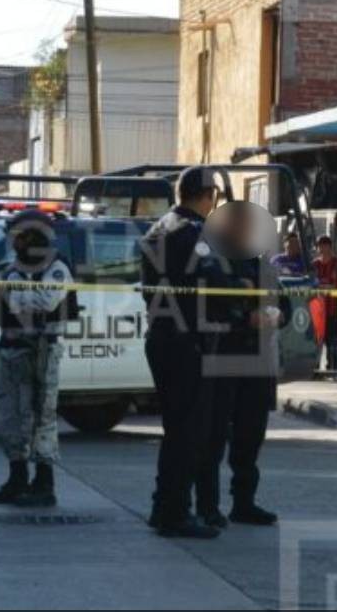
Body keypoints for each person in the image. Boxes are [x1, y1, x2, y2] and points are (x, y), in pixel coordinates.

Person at [140, 166, 223, 540]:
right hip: (186, 339)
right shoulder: (194, 233)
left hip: (161, 335)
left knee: (175, 429)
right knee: (187, 432)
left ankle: (164, 507)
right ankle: (175, 512)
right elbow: (214, 282)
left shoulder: (158, 228)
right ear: (209, 197)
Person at [195, 202, 285, 530]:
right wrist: (245, 318)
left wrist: (274, 315)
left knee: (250, 437)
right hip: (223, 358)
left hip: (257, 363)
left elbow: (283, 304)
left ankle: (244, 503)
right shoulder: (212, 263)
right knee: (213, 437)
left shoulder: (263, 266)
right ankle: (207, 506)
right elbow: (206, 309)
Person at [0, 210, 73, 508]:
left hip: (42, 350)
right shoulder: (10, 271)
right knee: (9, 417)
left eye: (21, 236)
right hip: (11, 350)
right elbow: (3, 308)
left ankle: (44, 483)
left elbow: (45, 302)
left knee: (42, 417)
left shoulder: (57, 267)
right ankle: (17, 477)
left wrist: (8, 292)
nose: (15, 242)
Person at [312, 235, 337, 372]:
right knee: (316, 340)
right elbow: (311, 285)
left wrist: (323, 287)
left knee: (331, 340)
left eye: (324, 245)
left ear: (330, 246)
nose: (322, 248)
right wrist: (325, 287)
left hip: (332, 309)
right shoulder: (314, 265)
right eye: (319, 245)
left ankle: (332, 368)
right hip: (317, 310)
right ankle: (314, 367)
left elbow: (336, 286)